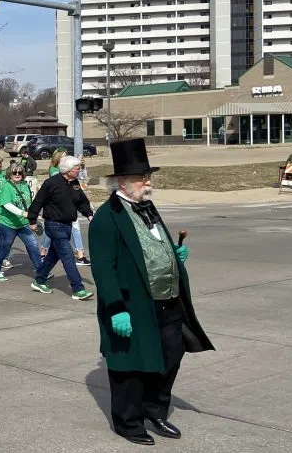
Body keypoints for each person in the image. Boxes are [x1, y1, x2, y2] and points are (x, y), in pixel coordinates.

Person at [89, 138, 213, 445]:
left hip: (168, 302)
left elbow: (153, 242)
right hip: (133, 305)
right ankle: (128, 422)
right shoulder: (106, 218)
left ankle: (155, 410)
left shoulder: (147, 206)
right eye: (140, 177)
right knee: (130, 367)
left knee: (170, 356)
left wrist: (173, 253)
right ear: (122, 181)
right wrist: (116, 308)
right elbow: (103, 267)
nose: (147, 182)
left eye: (148, 176)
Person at [27, 156, 95, 300]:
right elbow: (38, 202)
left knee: (54, 255)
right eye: (77, 168)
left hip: (67, 225)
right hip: (54, 224)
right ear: (68, 170)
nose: (79, 170)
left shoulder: (75, 183)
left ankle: (39, 280)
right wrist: (32, 220)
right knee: (68, 256)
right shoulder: (51, 183)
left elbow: (81, 201)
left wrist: (89, 214)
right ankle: (78, 289)